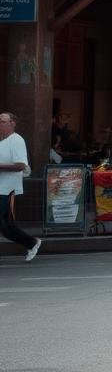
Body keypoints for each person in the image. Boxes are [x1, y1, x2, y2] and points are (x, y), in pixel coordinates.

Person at [0, 112, 41, 261]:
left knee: (5, 226)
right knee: (6, 228)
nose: (0, 123)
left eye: (2, 121)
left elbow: (20, 166)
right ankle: (31, 242)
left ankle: (31, 242)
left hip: (7, 188)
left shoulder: (16, 140)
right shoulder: (2, 141)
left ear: (12, 123)